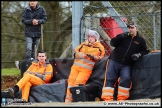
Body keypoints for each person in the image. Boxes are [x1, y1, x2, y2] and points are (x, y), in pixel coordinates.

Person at [101, 21, 150, 101]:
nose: (130, 29)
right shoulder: (123, 36)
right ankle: (107, 99)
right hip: (114, 60)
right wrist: (121, 36)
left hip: (127, 64)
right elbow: (112, 43)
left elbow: (145, 51)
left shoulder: (141, 40)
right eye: (129, 28)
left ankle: (122, 100)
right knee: (110, 79)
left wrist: (139, 55)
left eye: (132, 28)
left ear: (136, 29)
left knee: (126, 79)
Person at [65, 29, 105, 103]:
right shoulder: (83, 44)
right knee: (70, 83)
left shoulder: (100, 47)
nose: (90, 38)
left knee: (78, 84)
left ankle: (77, 101)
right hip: (75, 68)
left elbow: (101, 57)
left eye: (91, 37)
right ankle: (68, 102)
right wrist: (80, 55)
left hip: (86, 70)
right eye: (89, 36)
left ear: (95, 38)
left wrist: (93, 57)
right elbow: (75, 52)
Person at [15, 1, 47, 69]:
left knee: (35, 50)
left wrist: (38, 21)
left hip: (38, 33)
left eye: (33, 1)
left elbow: (44, 19)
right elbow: (23, 20)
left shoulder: (41, 9)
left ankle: (34, 66)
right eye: (30, 1)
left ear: (37, 2)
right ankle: (26, 65)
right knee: (29, 48)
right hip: (29, 33)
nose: (32, 2)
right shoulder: (26, 9)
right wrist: (31, 21)